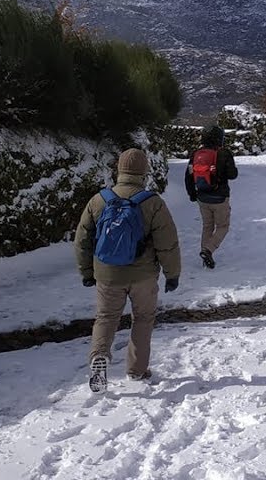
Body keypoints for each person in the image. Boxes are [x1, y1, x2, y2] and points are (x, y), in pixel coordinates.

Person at [74, 148, 180, 389]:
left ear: (119, 169)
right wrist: (172, 274)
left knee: (106, 318)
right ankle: (137, 370)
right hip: (143, 276)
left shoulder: (99, 200)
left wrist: (86, 272)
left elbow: (82, 240)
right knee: (143, 319)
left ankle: (99, 357)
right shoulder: (152, 203)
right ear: (144, 171)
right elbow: (168, 243)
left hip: (107, 273)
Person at [184, 125, 239, 269]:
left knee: (207, 226)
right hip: (220, 197)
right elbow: (233, 175)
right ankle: (208, 250)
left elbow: (188, 176)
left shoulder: (196, 154)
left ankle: (205, 256)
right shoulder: (224, 153)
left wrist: (192, 194)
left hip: (202, 197)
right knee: (223, 226)